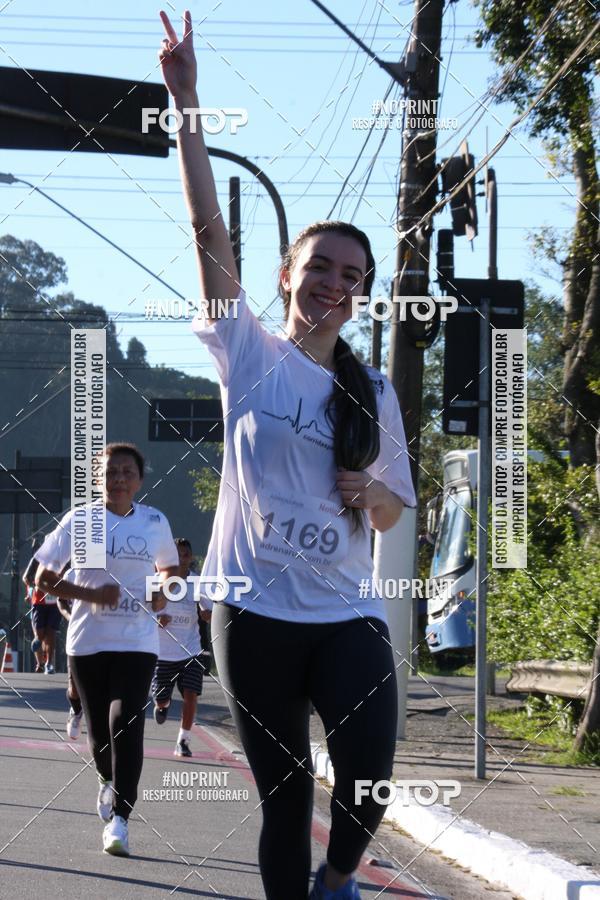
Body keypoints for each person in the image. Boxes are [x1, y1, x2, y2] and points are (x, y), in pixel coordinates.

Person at [159, 13, 417, 900]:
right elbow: (205, 233)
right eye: (320, 267)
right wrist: (186, 103)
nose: (334, 283)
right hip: (255, 609)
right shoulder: (250, 355)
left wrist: (366, 491)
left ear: (360, 294)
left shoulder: (373, 389)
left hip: (344, 614)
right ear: (286, 275)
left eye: (351, 275)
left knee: (371, 774)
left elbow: (391, 510)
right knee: (283, 795)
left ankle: (339, 877)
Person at [33, 442, 179, 857]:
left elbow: (169, 569)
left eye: (126, 473)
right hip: (88, 642)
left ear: (139, 480)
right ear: (99, 479)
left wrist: (161, 591)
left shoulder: (154, 521)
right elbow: (43, 577)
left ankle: (120, 820)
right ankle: (105, 777)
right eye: (110, 472)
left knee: (126, 721)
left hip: (137, 641)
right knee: (99, 734)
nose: (118, 479)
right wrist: (90, 594)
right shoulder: (80, 521)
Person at [151, 537, 212, 757]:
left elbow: (209, 610)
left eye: (185, 555)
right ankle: (162, 705)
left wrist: (207, 615)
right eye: (177, 555)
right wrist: (156, 619)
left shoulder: (197, 582)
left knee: (191, 694)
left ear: (191, 558)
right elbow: (143, 613)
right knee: (161, 697)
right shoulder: (156, 581)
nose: (181, 559)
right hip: (163, 653)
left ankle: (183, 741)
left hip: (191, 649)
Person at [23, 557, 61, 674]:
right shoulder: (37, 558)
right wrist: (32, 589)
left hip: (55, 602)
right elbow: (26, 577)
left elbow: (67, 575)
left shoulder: (62, 559)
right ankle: (40, 662)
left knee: (50, 633)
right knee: (40, 635)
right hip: (38, 602)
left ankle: (49, 664)